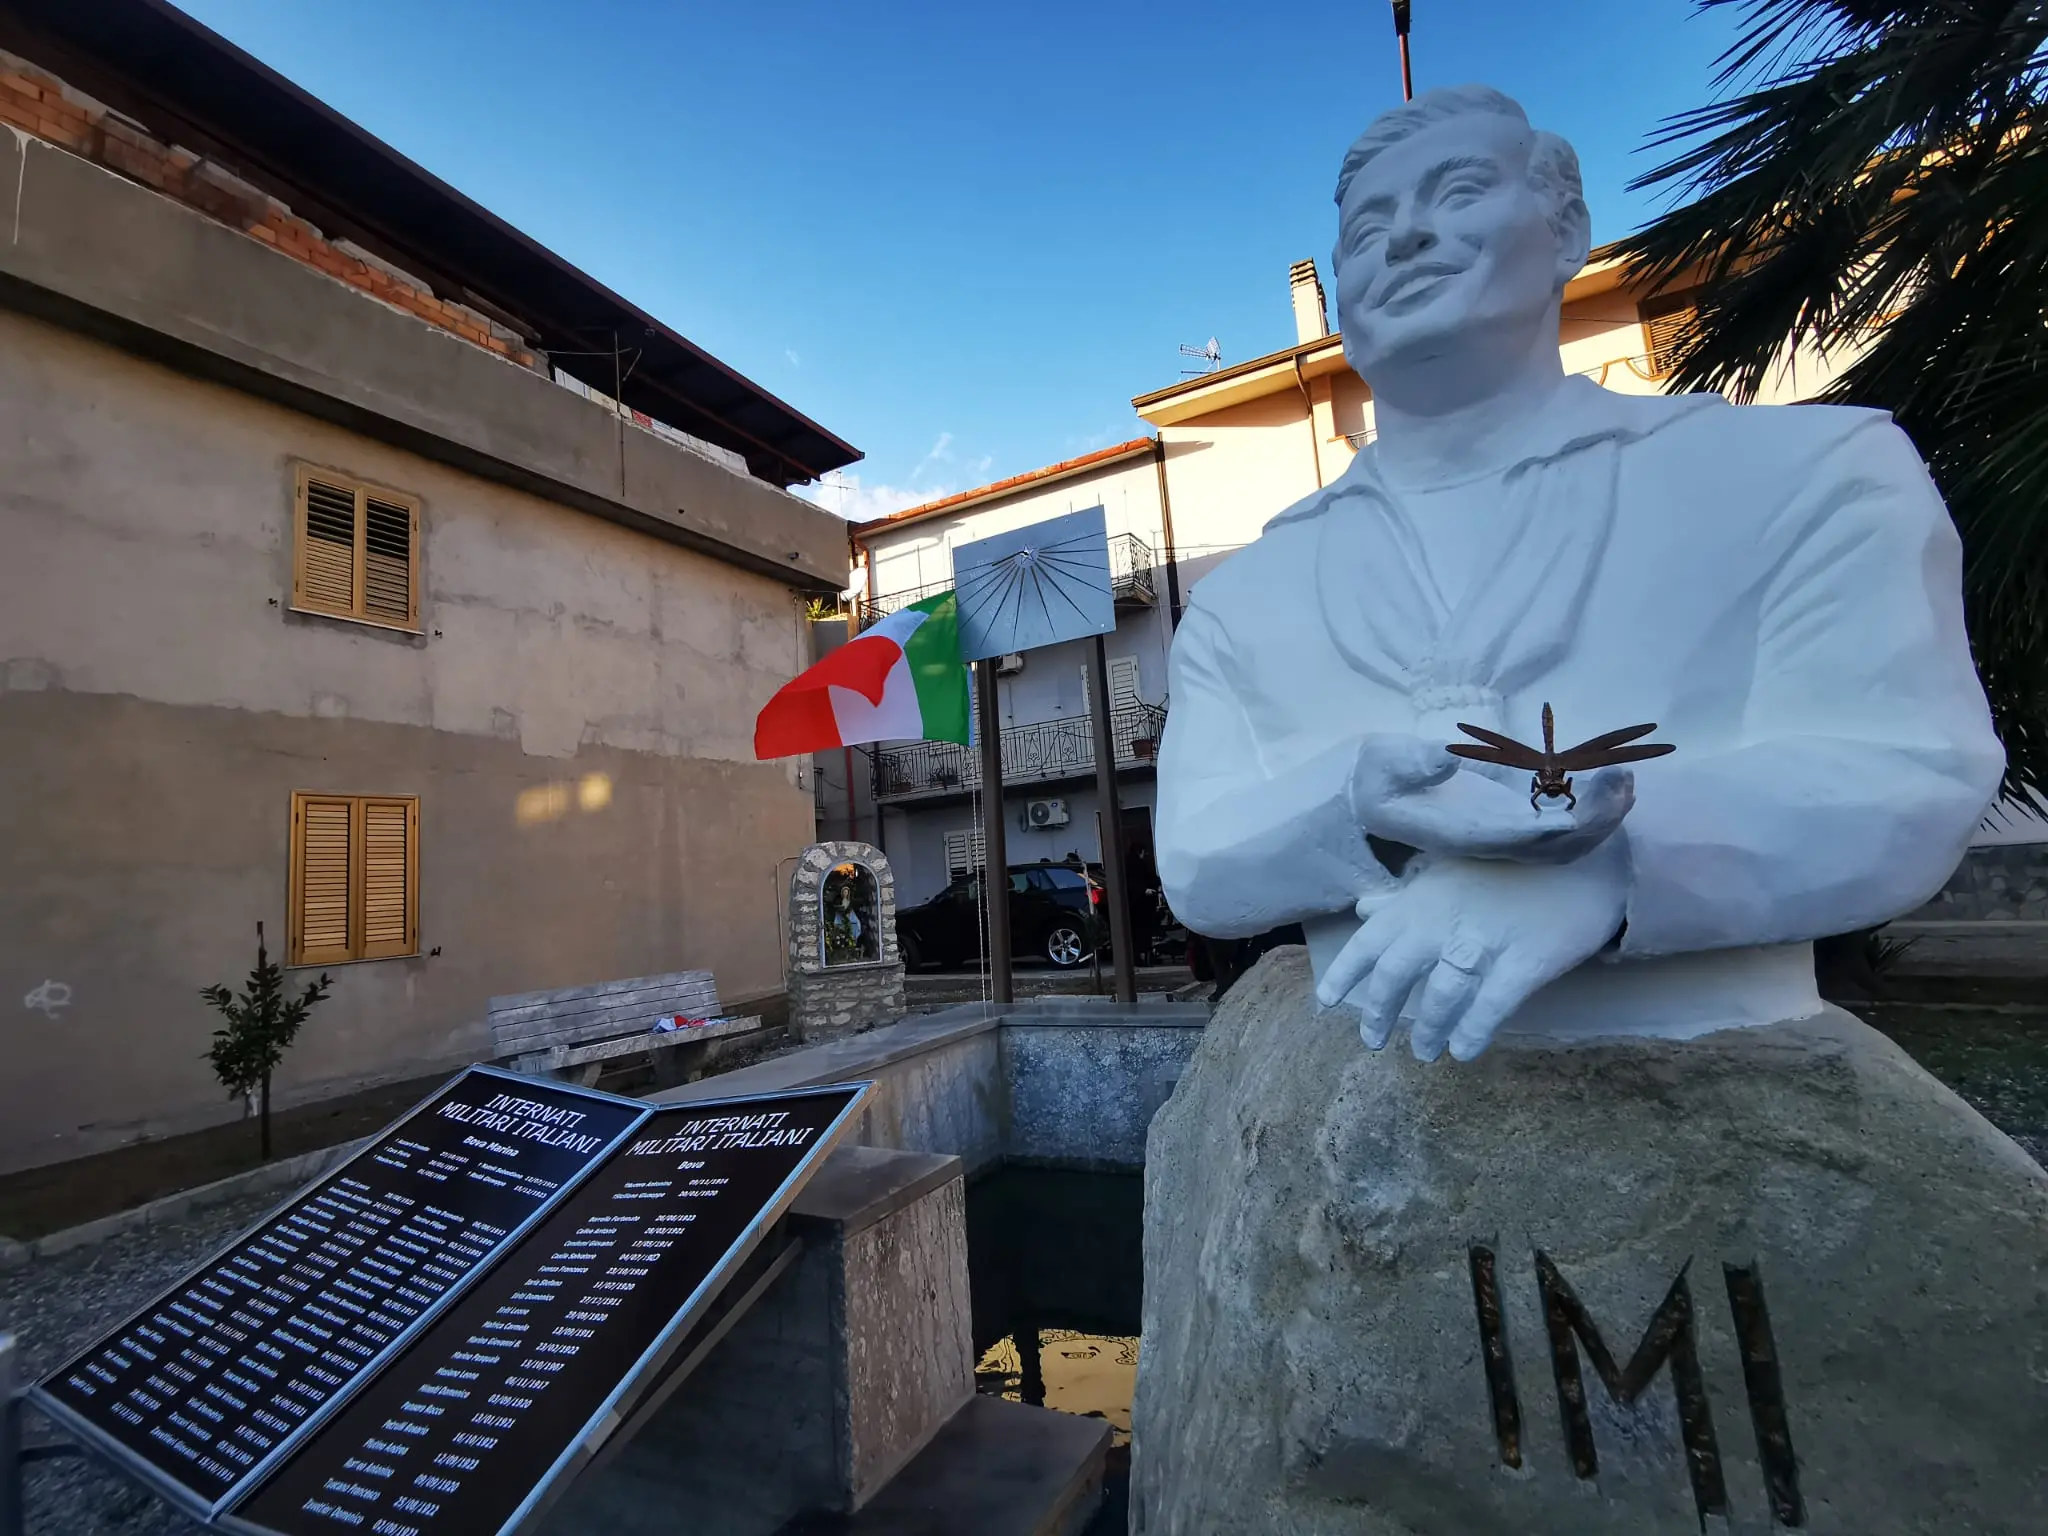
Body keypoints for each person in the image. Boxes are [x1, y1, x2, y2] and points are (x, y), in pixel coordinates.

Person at [1154, 85, 2003, 1064]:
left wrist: (1615, 865)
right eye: (1366, 228)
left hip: (1722, 1065)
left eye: (1458, 191)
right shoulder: (1239, 595)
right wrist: (1351, 806)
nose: (1404, 238)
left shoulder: (1809, 475)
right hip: (1360, 1062)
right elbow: (1197, 864)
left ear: (1565, 233)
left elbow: (1906, 763)